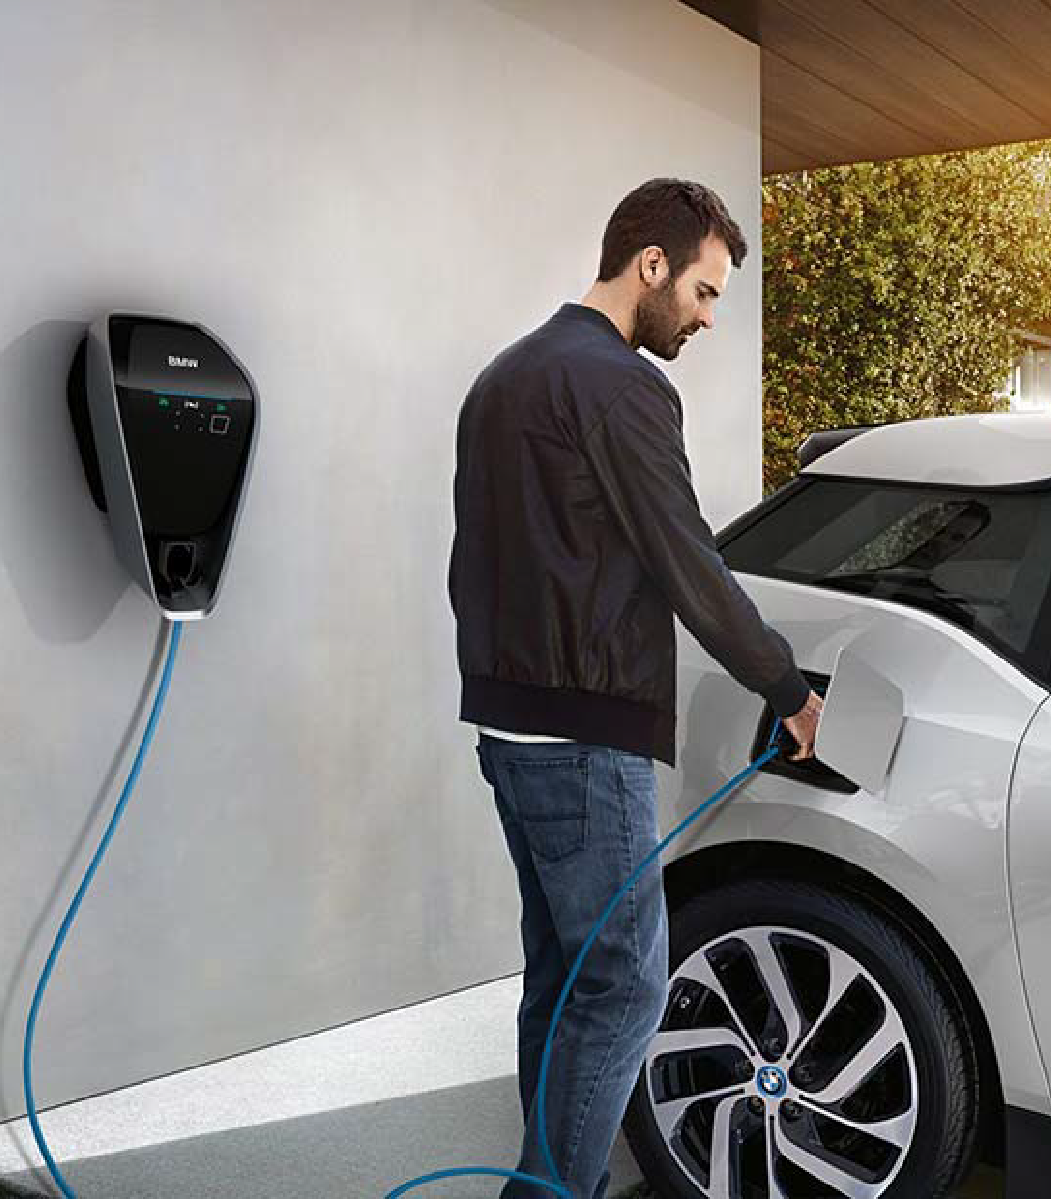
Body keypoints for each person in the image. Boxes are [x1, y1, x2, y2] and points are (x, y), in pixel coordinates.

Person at [447, 177, 823, 1199]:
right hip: (583, 739)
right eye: (703, 291)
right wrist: (786, 685)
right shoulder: (623, 387)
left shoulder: (502, 376)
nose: (706, 318)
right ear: (650, 264)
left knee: (564, 974)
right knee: (624, 985)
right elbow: (687, 561)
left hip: (508, 728)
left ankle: (546, 1176)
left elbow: (473, 556)